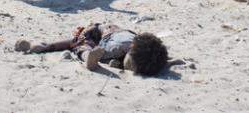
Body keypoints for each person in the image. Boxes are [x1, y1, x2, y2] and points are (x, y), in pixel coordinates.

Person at [14, 23, 169, 76]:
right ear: (132, 50)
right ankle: (87, 57)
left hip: (105, 32)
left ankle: (39, 45)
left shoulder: (147, 49)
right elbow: (101, 50)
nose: (131, 68)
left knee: (73, 42)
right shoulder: (116, 48)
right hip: (94, 34)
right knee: (79, 45)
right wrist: (105, 59)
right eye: (131, 64)